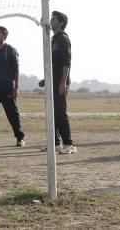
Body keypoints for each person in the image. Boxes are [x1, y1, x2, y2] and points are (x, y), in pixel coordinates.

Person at [38, 11, 76, 154]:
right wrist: (46, 79)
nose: (51, 21)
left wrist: (63, 82)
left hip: (60, 82)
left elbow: (66, 63)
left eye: (53, 19)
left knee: (60, 113)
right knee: (51, 113)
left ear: (60, 23)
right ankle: (55, 143)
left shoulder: (63, 39)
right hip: (52, 81)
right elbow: (53, 64)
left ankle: (69, 144)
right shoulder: (53, 39)